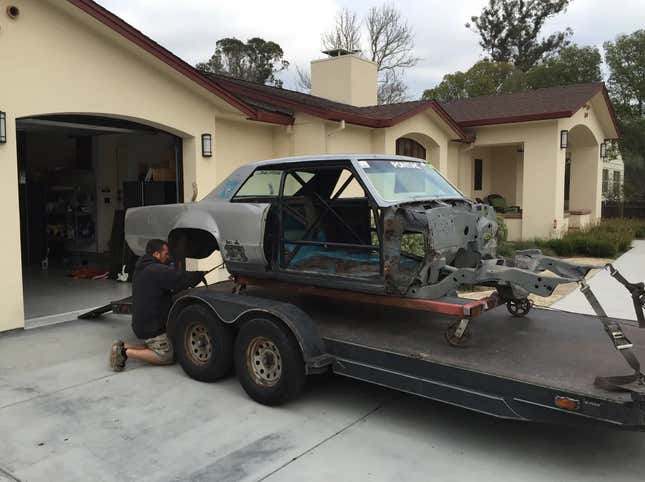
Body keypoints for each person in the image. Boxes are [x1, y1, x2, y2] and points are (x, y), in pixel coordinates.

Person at [110, 239, 205, 372]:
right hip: (151, 326)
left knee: (159, 344)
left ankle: (123, 346)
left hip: (142, 323)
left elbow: (168, 284)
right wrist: (199, 274)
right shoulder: (157, 270)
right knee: (167, 355)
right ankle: (125, 353)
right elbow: (180, 279)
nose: (168, 257)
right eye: (165, 253)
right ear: (156, 254)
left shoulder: (142, 267)